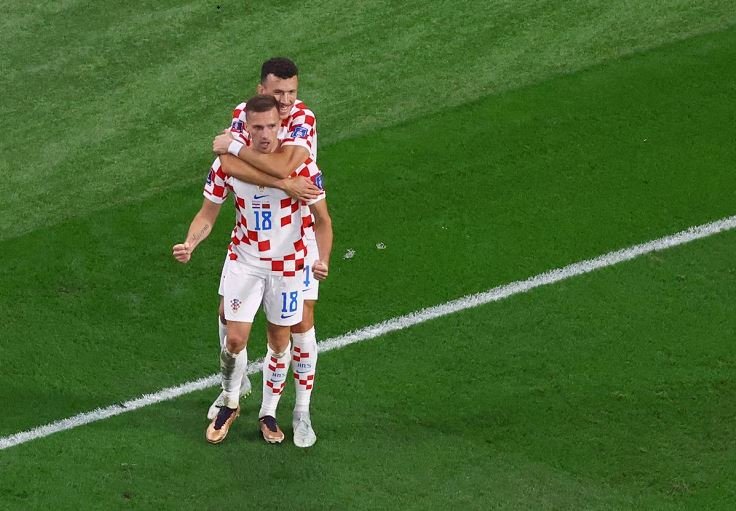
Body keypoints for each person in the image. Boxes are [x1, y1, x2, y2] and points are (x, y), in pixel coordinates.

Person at [172, 95, 332, 447]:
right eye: (257, 127)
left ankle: (269, 412)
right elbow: (207, 214)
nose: (264, 134)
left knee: (279, 343)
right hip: (245, 261)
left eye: (271, 126)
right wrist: (191, 242)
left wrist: (322, 259)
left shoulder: (302, 167)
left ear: (281, 125)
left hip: (289, 268)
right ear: (245, 126)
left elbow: (324, 221)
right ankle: (230, 399)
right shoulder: (226, 165)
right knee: (234, 338)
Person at [208, 58, 326, 446]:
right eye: (278, 93)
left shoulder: (303, 118)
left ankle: (299, 411)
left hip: (298, 228)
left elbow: (287, 165)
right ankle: (234, 386)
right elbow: (227, 165)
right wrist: (279, 181)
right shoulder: (246, 112)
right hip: (261, 226)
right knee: (232, 318)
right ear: (262, 91)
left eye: (292, 91)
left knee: (299, 324)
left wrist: (240, 148)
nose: (287, 100)